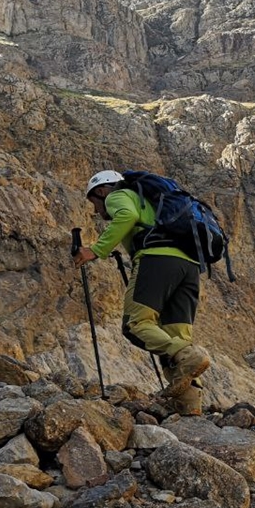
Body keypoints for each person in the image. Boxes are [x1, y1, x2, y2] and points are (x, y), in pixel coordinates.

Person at [72, 170, 211, 415]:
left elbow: (127, 215)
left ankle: (189, 356)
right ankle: (189, 405)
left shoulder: (118, 195)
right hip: (189, 267)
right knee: (173, 335)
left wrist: (96, 250)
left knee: (136, 325)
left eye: (94, 201)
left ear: (102, 190)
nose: (95, 210)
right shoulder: (152, 202)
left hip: (157, 261)